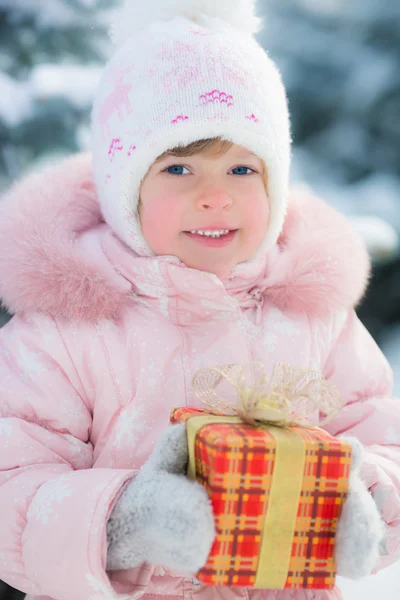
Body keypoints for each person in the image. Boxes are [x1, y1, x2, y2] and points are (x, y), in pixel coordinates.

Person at [0, 1, 399, 599]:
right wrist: (120, 523)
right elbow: (12, 482)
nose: (216, 196)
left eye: (242, 169)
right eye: (180, 168)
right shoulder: (65, 329)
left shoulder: (316, 316)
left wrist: (367, 500)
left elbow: (383, 439)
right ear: (123, 188)